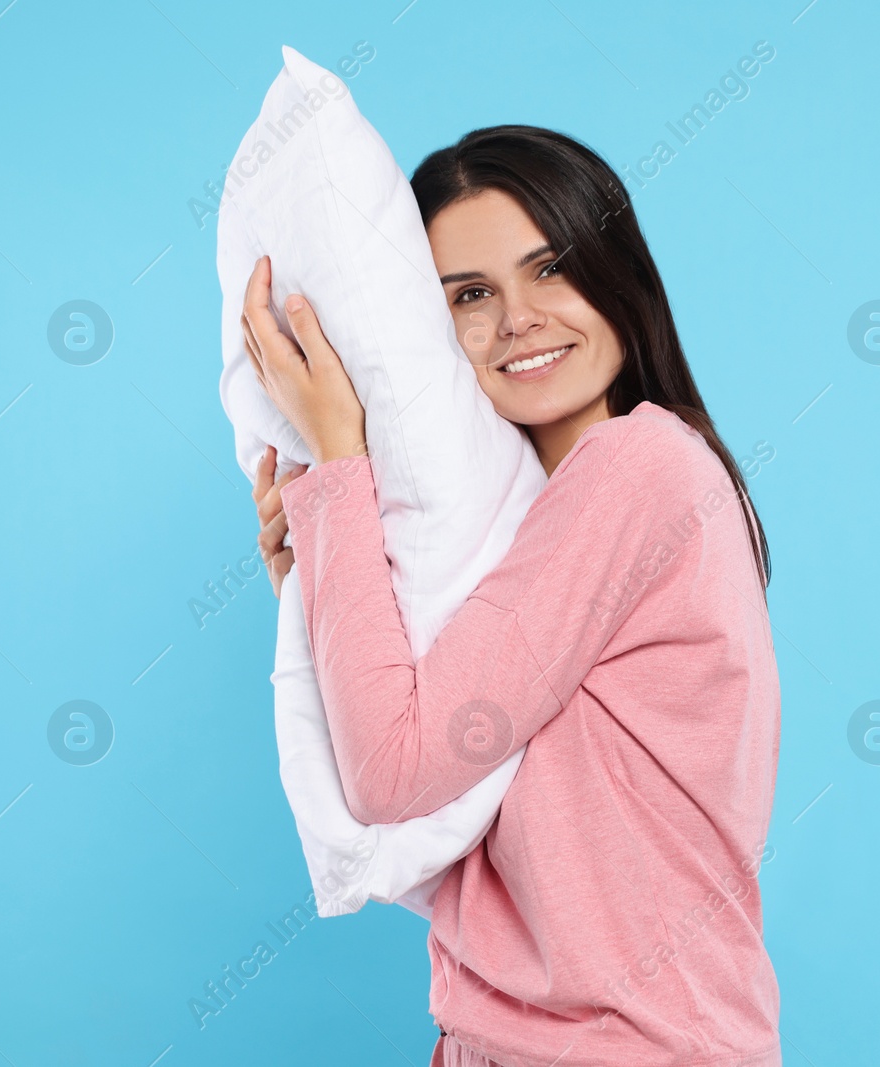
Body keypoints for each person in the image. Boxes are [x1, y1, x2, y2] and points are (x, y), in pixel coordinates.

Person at [240, 126, 782, 1067]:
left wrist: (339, 460)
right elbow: (466, 831)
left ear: (621, 277)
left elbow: (394, 774)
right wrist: (323, 569)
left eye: (552, 268)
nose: (519, 317)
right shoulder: (535, 518)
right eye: (471, 294)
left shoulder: (639, 470)